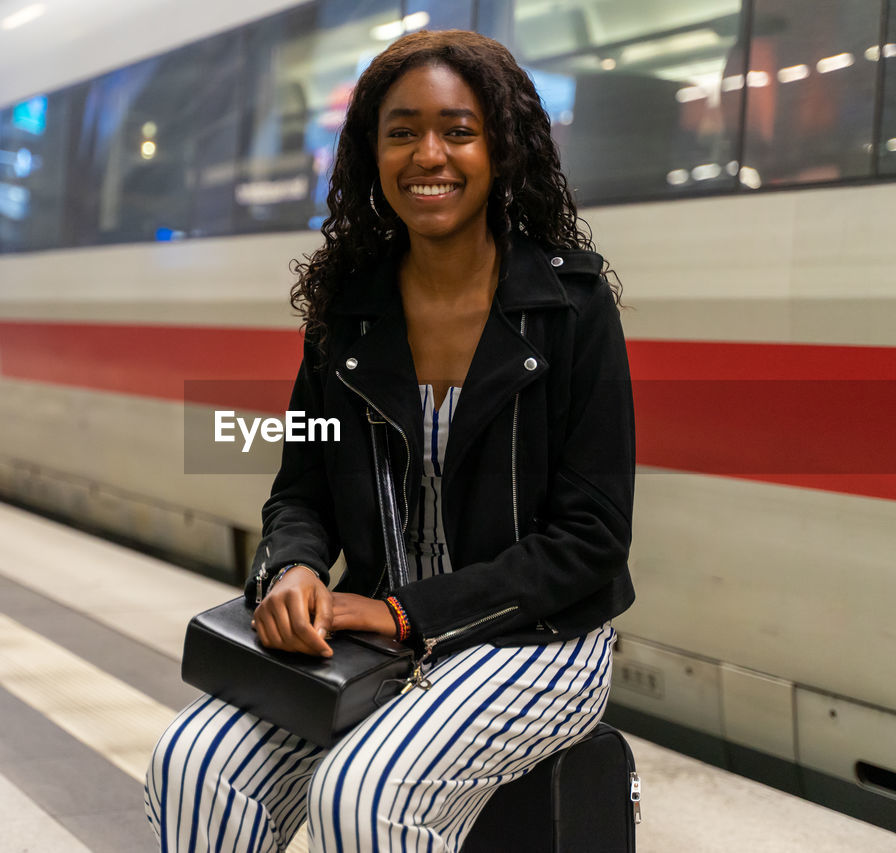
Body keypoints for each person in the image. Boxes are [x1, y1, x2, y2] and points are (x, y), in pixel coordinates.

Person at [146, 29, 634, 853]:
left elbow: (589, 541)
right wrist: (293, 567)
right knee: (192, 759)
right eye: (402, 131)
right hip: (373, 639)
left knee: (362, 792)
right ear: (371, 152)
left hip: (535, 639)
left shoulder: (570, 306)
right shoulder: (349, 312)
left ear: (501, 146)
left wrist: (402, 610)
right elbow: (300, 486)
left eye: (459, 129)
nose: (428, 155)